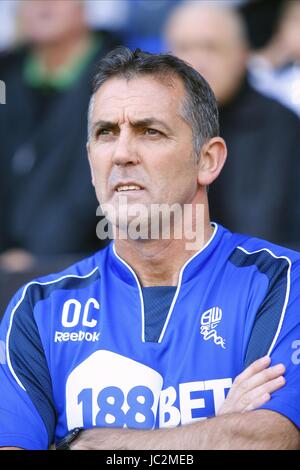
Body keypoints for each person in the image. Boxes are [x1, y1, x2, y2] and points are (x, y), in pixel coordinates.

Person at [0, 47, 300, 450]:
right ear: (91, 161)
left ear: (208, 160)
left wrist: (83, 444)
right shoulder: (37, 309)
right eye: (106, 132)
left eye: (149, 131)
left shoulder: (281, 282)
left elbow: (269, 440)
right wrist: (217, 429)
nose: (122, 154)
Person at [164, 1, 300, 248]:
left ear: (243, 53)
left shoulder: (284, 127)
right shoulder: (152, 129)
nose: (197, 62)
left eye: (211, 48)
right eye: (184, 48)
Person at [0, 0, 118, 272]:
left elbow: (97, 184)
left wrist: (39, 257)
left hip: (85, 268)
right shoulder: (7, 75)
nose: (42, 4)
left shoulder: (121, 75)